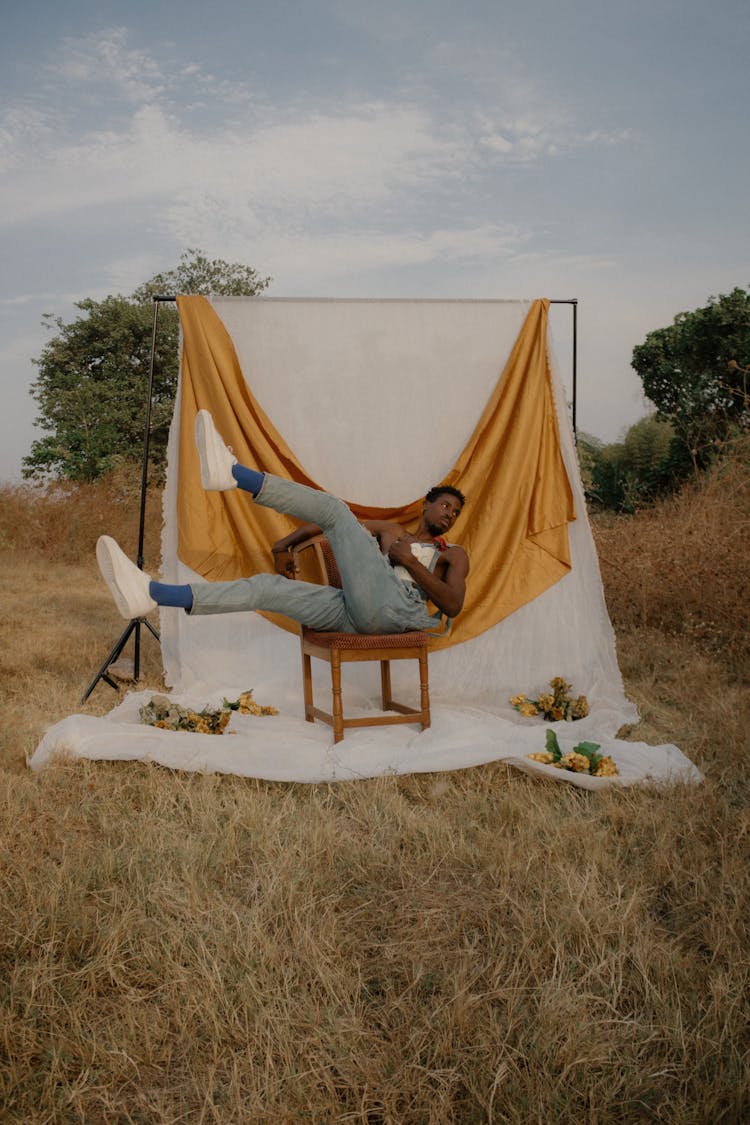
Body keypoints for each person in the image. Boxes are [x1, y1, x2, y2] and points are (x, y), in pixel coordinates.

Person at [96, 411, 469, 636]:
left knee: (337, 509)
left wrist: (411, 562)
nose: (449, 515)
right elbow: (324, 528)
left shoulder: (453, 554)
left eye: (455, 514)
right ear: (427, 505)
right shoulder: (391, 532)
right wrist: (282, 546)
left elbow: (452, 606)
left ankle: (234, 474)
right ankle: (152, 595)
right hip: (354, 613)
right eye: (446, 506)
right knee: (266, 589)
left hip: (397, 611)